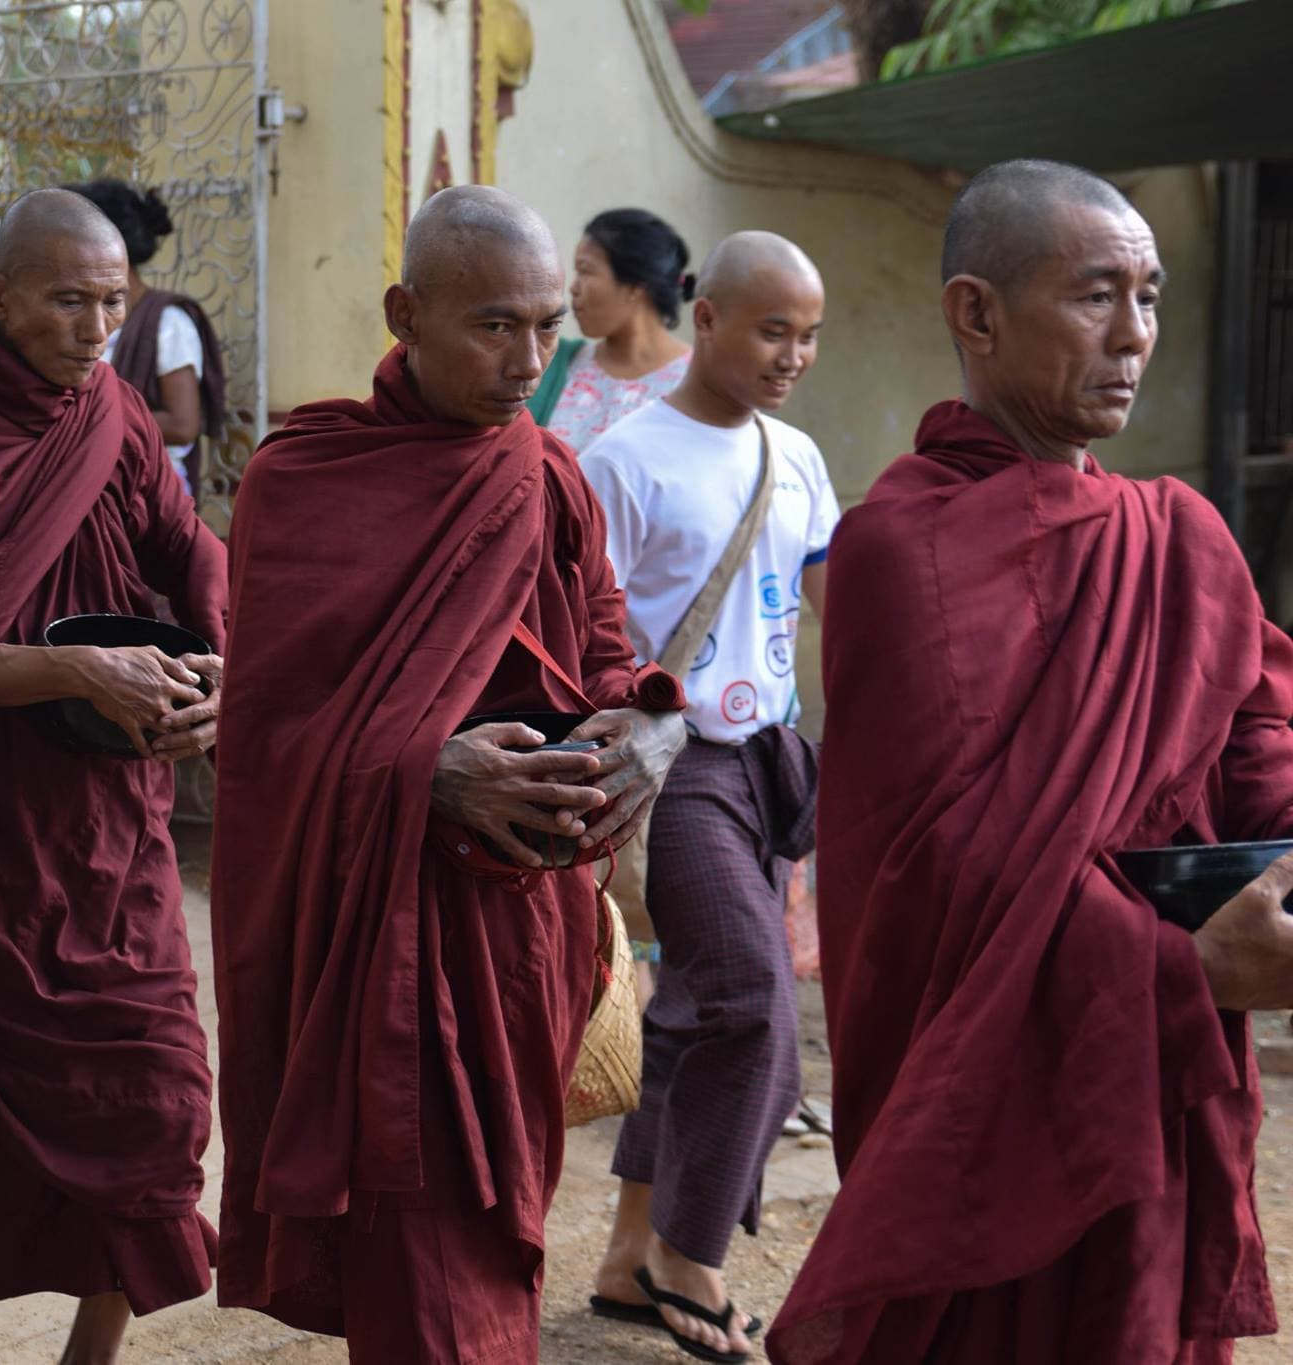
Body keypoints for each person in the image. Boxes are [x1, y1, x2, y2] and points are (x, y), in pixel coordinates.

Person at [766, 159, 1293, 1364]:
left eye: (1148, 297)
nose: (1134, 336)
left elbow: (1251, 737)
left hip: (1150, 1075)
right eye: (1095, 295)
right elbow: (935, 878)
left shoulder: (1177, 535)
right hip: (1008, 1084)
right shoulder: (902, 546)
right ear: (975, 312)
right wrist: (1180, 969)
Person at [213, 184, 688, 1362]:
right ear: (404, 313)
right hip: (377, 930)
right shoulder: (305, 478)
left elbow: (608, 660)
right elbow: (261, 732)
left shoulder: (547, 474)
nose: (526, 359)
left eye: (543, 326)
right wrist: (422, 769)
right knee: (429, 1286)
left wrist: (649, 733)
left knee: (494, 1239)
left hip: (515, 931)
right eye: (491, 326)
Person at [0, 187, 226, 1365]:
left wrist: (226, 667)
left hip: (117, 827)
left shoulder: (117, 415)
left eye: (112, 303)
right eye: (67, 300)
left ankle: (89, 1357)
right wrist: (79, 672)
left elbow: (188, 555)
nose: (92, 327)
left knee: (161, 1102)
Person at [581, 230, 835, 1363]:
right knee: (745, 1001)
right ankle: (691, 1255)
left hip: (771, 761)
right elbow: (575, 633)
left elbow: (837, 614)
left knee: (693, 1017)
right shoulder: (622, 463)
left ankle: (626, 1258)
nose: (793, 355)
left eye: (810, 335)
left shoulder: (795, 455)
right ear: (709, 316)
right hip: (676, 766)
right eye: (774, 329)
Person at [66, 178, 226, 495]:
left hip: (150, 494)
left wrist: (82, 422)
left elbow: (182, 425)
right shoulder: (79, 322)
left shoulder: (168, 322)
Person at [529, 208, 693, 451]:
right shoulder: (556, 364)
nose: (573, 288)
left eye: (585, 271)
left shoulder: (695, 381)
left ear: (635, 285)